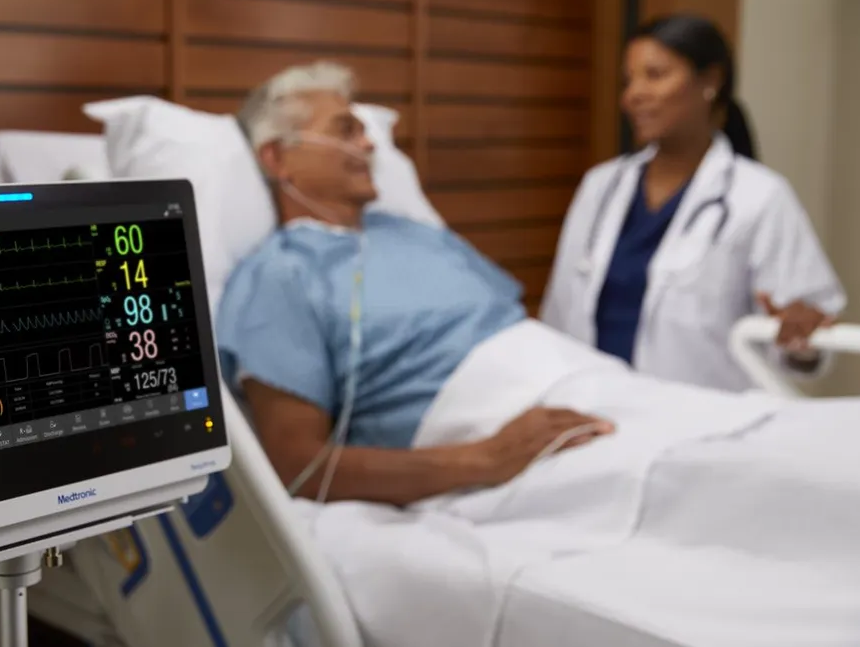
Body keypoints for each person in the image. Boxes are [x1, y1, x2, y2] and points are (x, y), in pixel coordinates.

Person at [215, 62, 615, 506]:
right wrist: (482, 459)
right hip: (494, 431)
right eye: (346, 130)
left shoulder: (415, 232)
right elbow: (300, 468)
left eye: (365, 131)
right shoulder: (280, 275)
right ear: (277, 157)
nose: (369, 144)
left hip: (587, 382)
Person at [541, 14, 846, 392]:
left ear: (711, 81)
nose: (632, 94)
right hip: (596, 414)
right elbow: (558, 315)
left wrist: (802, 339)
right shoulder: (601, 186)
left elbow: (806, 344)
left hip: (704, 423)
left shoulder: (759, 197)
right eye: (628, 80)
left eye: (654, 75)